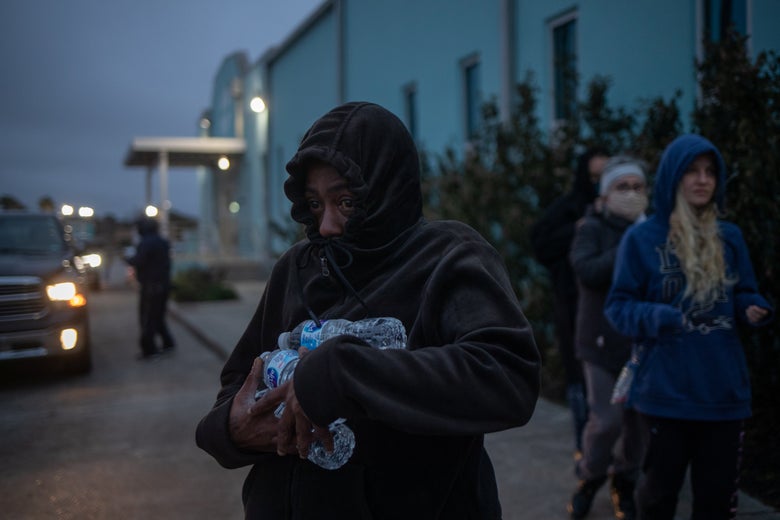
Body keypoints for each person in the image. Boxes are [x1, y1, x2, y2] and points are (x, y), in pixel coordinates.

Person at [195, 102, 541, 519]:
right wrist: (229, 431)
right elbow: (238, 383)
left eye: (345, 202)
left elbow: (506, 376)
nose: (326, 226)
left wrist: (342, 373)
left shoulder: (447, 256)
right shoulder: (296, 268)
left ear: (387, 189)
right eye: (315, 204)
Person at [604, 134, 773, 519]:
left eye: (710, 172)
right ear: (672, 176)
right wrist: (658, 317)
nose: (703, 179)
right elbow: (618, 306)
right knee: (657, 500)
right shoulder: (642, 239)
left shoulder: (730, 237)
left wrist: (752, 308)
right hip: (665, 393)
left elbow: (745, 292)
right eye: (692, 171)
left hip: (724, 393)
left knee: (716, 504)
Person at [567, 157, 649, 519]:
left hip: (641, 345)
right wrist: (630, 243)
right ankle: (589, 477)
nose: (631, 194)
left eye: (637, 187)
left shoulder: (654, 231)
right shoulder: (591, 228)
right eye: (622, 187)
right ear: (605, 193)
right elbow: (587, 270)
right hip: (599, 344)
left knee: (638, 427)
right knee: (606, 423)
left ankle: (624, 483)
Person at [530, 146, 609, 457]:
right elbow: (540, 242)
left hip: (613, 308)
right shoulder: (568, 209)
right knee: (579, 375)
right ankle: (585, 449)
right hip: (573, 303)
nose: (599, 185)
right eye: (594, 178)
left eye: (605, 177)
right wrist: (576, 229)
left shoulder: (621, 212)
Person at [126, 218, 174, 359]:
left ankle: (150, 350)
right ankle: (168, 343)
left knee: (148, 319)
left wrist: (128, 259)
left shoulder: (146, 243)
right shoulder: (162, 242)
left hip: (151, 287)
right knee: (158, 317)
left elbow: (139, 261)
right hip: (163, 285)